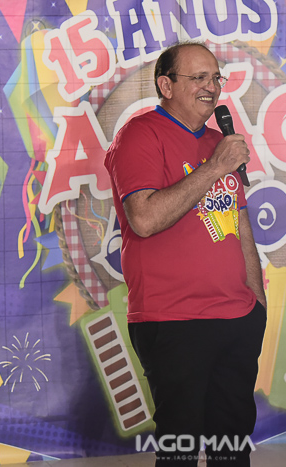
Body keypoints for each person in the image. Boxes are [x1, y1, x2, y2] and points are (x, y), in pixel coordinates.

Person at [104, 42, 266, 466]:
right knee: (180, 446)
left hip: (236, 316)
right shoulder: (140, 134)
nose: (211, 87)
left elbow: (239, 223)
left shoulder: (218, 141)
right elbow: (144, 218)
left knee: (232, 445)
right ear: (166, 85)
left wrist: (257, 300)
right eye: (198, 78)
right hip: (174, 320)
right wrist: (214, 167)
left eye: (215, 77)